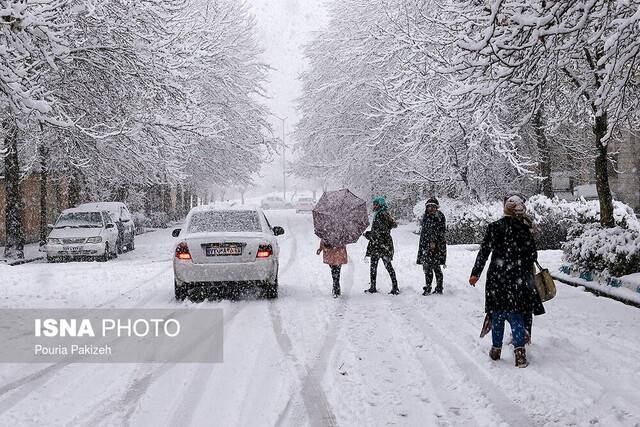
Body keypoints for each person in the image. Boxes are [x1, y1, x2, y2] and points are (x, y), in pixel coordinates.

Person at [468, 193, 538, 368]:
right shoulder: (524, 229)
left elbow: (483, 252)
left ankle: (496, 349)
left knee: (497, 314)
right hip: (518, 279)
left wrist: (475, 273)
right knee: (516, 315)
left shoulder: (494, 227)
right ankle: (520, 353)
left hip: (497, 278)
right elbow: (532, 255)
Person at [364, 196, 399, 295]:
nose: (374, 205)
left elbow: (381, 232)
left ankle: (394, 287)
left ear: (380, 204)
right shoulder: (380, 214)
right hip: (381, 244)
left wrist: (369, 235)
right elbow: (379, 231)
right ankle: (374, 287)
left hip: (381, 245)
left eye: (375, 204)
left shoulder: (381, 215)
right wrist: (370, 234)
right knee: (377, 266)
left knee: (385, 266)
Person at [417, 197, 447, 295]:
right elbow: (426, 230)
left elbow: (440, 231)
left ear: (436, 208)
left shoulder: (439, 216)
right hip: (426, 245)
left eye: (433, 207)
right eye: (429, 207)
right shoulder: (426, 216)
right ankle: (428, 287)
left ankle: (439, 288)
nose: (431, 209)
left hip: (436, 246)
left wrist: (433, 241)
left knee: (436, 267)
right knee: (427, 268)